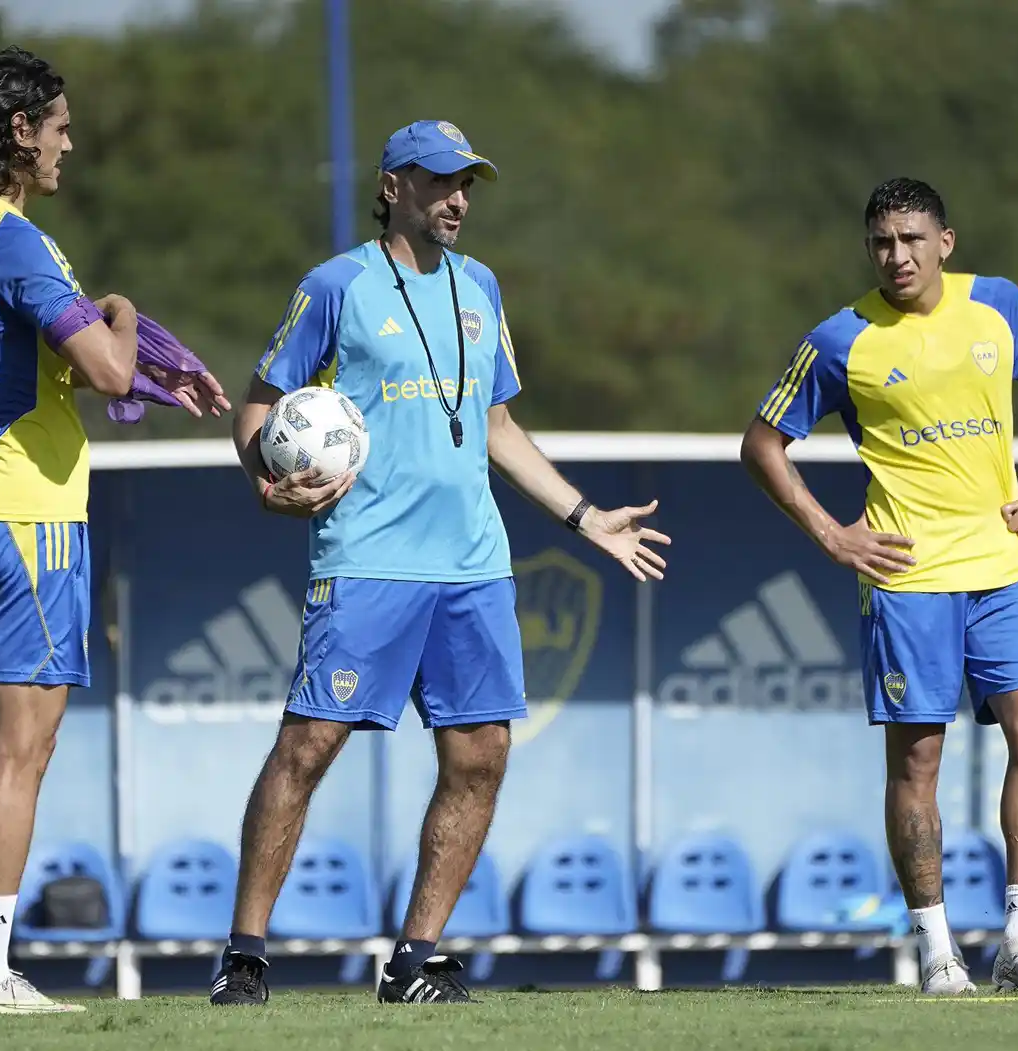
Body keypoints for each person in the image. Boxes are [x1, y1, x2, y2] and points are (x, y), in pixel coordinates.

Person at [209, 120, 671, 1006]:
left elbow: (497, 426)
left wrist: (586, 518)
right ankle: (245, 954)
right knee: (307, 747)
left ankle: (415, 959)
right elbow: (258, 410)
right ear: (393, 187)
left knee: (481, 755)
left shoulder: (480, 286)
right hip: (368, 559)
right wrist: (268, 481)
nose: (457, 199)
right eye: (439, 181)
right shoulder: (335, 286)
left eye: (467, 184)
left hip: (474, 565)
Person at [0, 46, 227, 1015]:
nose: (68, 145)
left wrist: (132, 358)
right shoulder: (17, 240)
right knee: (22, 751)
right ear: (19, 131)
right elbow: (103, 367)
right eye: (58, 127)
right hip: (27, 517)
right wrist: (123, 312)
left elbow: (20, 355)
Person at [740, 178, 1018, 995]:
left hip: (1006, 564)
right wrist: (832, 534)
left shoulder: (1000, 306)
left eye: (910, 239)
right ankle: (937, 952)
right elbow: (762, 444)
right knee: (919, 760)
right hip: (908, 576)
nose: (896, 255)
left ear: (946, 242)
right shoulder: (842, 338)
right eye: (881, 242)